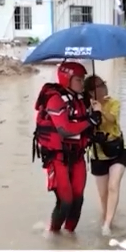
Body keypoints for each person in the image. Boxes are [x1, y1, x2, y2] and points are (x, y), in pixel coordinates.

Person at [33, 62, 102, 234]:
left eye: (83, 79)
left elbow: (86, 124)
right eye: (79, 79)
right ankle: (53, 234)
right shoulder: (55, 99)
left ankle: (69, 238)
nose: (82, 83)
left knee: (78, 200)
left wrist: (96, 116)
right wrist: (90, 121)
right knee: (65, 201)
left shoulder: (83, 98)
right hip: (58, 158)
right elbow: (64, 130)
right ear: (67, 79)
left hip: (77, 156)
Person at [84, 75, 126, 236]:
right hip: (98, 153)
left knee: (113, 185)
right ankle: (106, 218)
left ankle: (107, 224)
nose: (102, 88)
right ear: (90, 92)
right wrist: (91, 111)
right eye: (97, 87)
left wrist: (101, 110)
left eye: (102, 85)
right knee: (103, 194)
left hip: (117, 149)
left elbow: (113, 120)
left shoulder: (113, 103)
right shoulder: (86, 106)